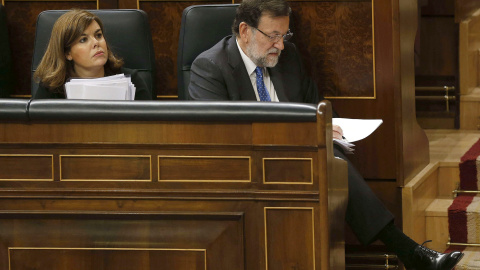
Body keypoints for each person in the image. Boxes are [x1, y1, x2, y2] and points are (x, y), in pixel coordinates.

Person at [188, 0, 464, 269]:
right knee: (331, 161)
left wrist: (326, 126)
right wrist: (299, 136)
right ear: (246, 31)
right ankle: (410, 252)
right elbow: (221, 136)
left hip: (301, 158)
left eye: (284, 36)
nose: (280, 45)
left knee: (332, 161)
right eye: (273, 36)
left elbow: (313, 104)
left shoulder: (288, 57)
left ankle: (408, 253)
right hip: (246, 166)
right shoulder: (211, 67)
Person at [33, 9, 151, 100]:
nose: (96, 43)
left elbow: (150, 126)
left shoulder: (131, 79)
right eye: (83, 40)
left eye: (98, 35)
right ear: (67, 53)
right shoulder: (51, 88)